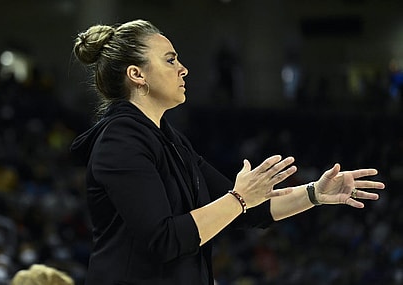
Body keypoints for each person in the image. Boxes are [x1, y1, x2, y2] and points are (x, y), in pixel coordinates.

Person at [70, 19, 385, 285]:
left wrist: (314, 192)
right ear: (136, 75)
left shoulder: (171, 140)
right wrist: (239, 198)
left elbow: (249, 211)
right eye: (170, 60)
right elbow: (164, 239)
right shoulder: (120, 141)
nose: (183, 69)